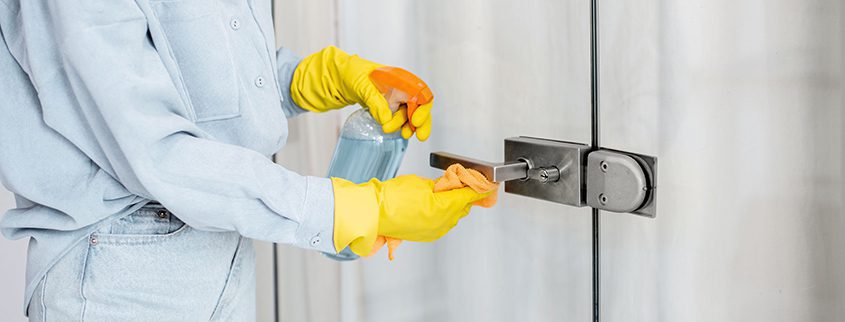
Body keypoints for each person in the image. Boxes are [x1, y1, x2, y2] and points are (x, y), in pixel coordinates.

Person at [0, 1, 492, 320]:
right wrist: (350, 210)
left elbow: (198, 81)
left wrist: (309, 79)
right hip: (119, 278)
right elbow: (155, 153)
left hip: (224, 249)